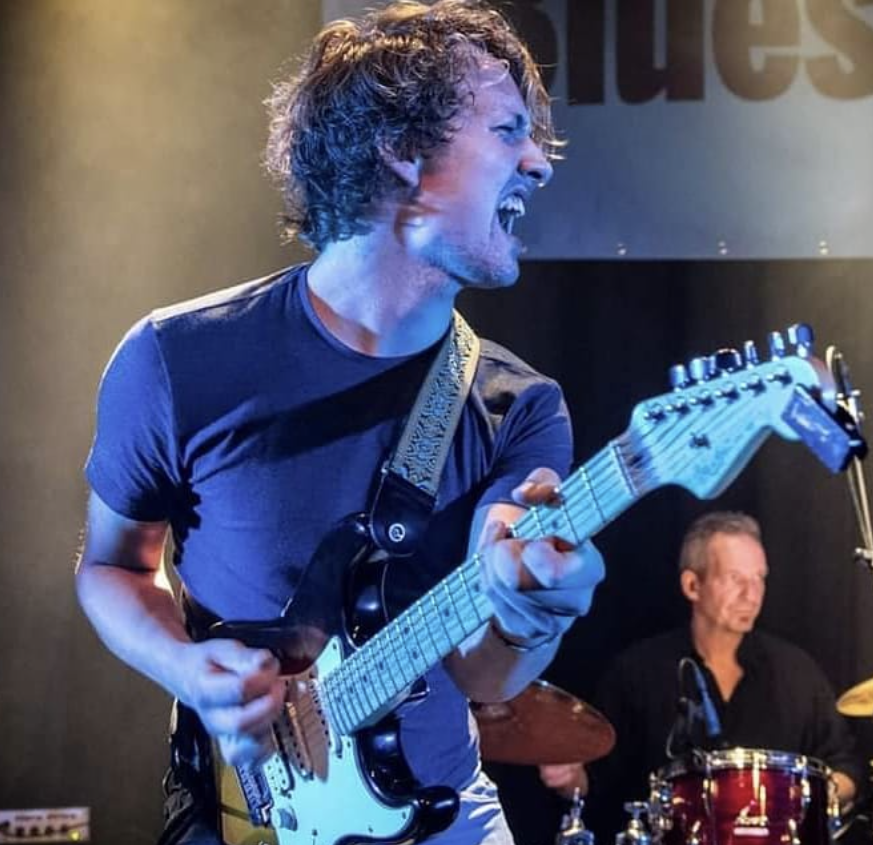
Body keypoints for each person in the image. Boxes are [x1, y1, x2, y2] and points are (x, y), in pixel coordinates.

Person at [75, 3, 606, 845]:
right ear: (400, 148)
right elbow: (111, 566)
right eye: (508, 130)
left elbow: (481, 672)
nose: (538, 163)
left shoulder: (520, 404)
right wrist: (185, 667)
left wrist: (532, 609)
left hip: (440, 811)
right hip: (238, 810)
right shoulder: (176, 357)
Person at [539, 510, 863, 838]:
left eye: (759, 578)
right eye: (735, 578)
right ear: (693, 585)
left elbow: (846, 765)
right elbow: (601, 782)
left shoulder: (796, 672)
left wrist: (815, 797)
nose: (752, 594)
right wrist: (571, 779)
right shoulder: (637, 673)